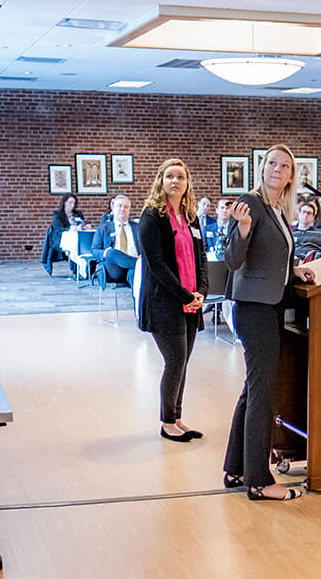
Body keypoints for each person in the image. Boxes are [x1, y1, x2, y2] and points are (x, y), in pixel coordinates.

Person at [223, 144, 314, 501]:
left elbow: (270, 258)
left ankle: (236, 468)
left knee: (253, 388)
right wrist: (242, 230)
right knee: (263, 393)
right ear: (262, 169)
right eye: (272, 163)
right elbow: (232, 260)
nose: (278, 169)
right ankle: (259, 481)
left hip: (271, 305)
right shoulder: (252, 203)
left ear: (292, 176)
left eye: (285, 165)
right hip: (254, 309)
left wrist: (293, 270)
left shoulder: (278, 209)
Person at [137, 159, 208, 444]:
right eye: (170, 176)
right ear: (161, 181)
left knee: (184, 361)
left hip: (190, 301)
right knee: (175, 360)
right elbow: (156, 265)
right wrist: (185, 295)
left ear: (187, 182)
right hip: (164, 302)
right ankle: (167, 422)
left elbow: (201, 258)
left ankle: (177, 417)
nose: (175, 181)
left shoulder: (191, 216)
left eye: (180, 176)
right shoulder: (152, 217)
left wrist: (202, 289)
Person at [91, 194, 140, 291]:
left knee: (137, 283)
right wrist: (105, 253)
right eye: (120, 206)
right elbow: (94, 251)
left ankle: (139, 306)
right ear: (113, 208)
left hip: (133, 269)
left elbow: (146, 247)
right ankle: (139, 263)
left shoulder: (137, 227)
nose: (123, 209)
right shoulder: (103, 228)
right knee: (110, 252)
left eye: (126, 207)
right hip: (114, 270)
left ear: (129, 210)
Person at [41, 192, 85, 275]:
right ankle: (76, 270)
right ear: (64, 202)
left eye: (74, 203)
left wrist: (84, 226)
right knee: (74, 245)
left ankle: (84, 269)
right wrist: (72, 228)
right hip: (60, 238)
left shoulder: (78, 214)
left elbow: (82, 224)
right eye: (70, 203)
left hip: (77, 237)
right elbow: (58, 228)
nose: (72, 205)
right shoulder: (58, 214)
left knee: (83, 244)